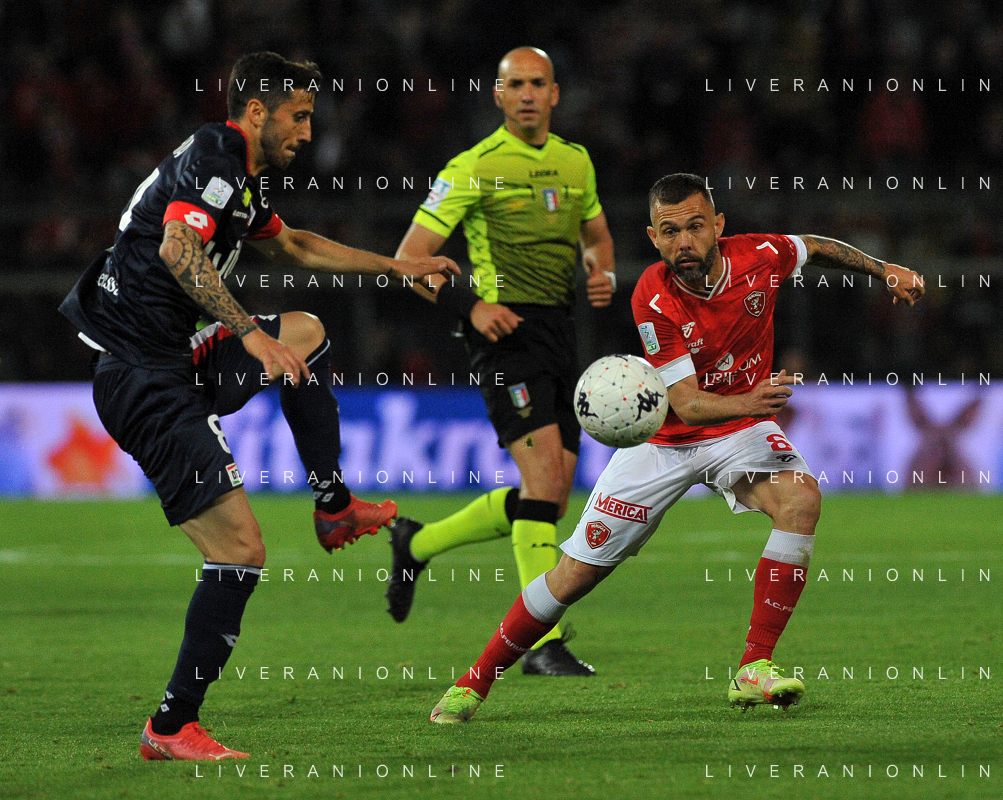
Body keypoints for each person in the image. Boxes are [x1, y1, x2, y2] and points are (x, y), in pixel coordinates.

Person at [58, 52, 457, 759]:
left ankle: (333, 506)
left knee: (307, 333)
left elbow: (296, 245)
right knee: (240, 551)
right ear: (255, 111)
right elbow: (179, 247)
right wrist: (247, 332)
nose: (308, 131)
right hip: (143, 377)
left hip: (176, 355)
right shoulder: (219, 154)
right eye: (298, 116)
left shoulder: (238, 179)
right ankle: (171, 726)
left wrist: (396, 267)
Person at [427, 172, 925, 723]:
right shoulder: (653, 294)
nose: (684, 241)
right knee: (573, 575)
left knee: (800, 500)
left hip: (738, 430)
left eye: (695, 226)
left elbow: (817, 247)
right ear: (653, 237)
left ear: (718, 225)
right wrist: (753, 399)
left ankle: (754, 667)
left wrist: (884, 268)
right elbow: (686, 405)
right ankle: (473, 683)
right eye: (670, 232)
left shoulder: (760, 256)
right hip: (664, 441)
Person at [386, 46, 616, 677]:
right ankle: (543, 643)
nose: (527, 94)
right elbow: (409, 260)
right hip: (503, 335)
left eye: (537, 83)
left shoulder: (575, 161)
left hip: (558, 334)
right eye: (515, 84)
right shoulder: (473, 166)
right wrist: (472, 306)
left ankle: (417, 542)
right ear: (497, 94)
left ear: (555, 93)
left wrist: (601, 270)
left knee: (553, 498)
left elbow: (596, 236)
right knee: (542, 483)